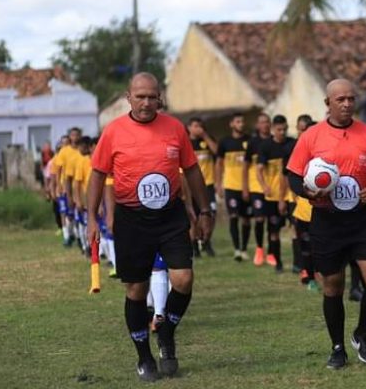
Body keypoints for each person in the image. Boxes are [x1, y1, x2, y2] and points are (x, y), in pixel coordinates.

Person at [86, 72, 213, 381]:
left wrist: (204, 209)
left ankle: (166, 332)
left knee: (183, 279)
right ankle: (144, 358)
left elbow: (192, 170)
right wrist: (92, 217)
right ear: (128, 98)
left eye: (151, 96)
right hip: (132, 219)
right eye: (139, 96)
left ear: (160, 97)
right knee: (136, 289)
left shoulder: (174, 129)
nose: (146, 102)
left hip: (170, 215)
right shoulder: (113, 132)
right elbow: (98, 174)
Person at [286, 79, 366, 369]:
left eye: (351, 98)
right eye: (340, 100)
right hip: (327, 222)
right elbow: (294, 176)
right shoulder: (311, 137)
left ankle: (362, 333)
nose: (347, 104)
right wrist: (307, 192)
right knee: (332, 287)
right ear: (328, 104)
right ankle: (337, 347)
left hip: (362, 220)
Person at [256, 114, 296, 272]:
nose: (282, 132)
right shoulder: (265, 146)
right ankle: (277, 261)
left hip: (290, 196)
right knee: (274, 232)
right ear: (273, 129)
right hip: (272, 196)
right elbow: (259, 170)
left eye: (285, 129)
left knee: (295, 230)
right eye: (279, 129)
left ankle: (298, 264)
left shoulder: (292, 144)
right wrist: (264, 185)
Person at [215, 113, 252, 261]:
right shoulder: (224, 142)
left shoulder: (250, 141)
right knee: (234, 216)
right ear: (231, 124)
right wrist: (218, 183)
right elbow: (218, 164)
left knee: (246, 220)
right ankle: (237, 249)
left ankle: (244, 249)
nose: (241, 124)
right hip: (230, 185)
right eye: (237, 122)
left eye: (242, 121)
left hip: (247, 185)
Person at [288, 115, 319, 290]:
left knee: (321, 246)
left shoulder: (328, 156)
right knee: (305, 246)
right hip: (304, 209)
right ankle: (309, 275)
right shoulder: (299, 154)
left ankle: (319, 273)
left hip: (323, 209)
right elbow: (291, 177)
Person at [243, 113, 272, 266]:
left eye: (267, 122)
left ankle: (272, 252)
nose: (265, 125)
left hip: (273, 188)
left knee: (272, 221)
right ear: (257, 125)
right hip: (256, 187)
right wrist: (245, 187)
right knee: (259, 219)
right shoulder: (252, 143)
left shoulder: (275, 141)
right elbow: (246, 166)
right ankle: (260, 249)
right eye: (262, 122)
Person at [187, 117, 218, 257]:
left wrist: (205, 136)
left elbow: (217, 152)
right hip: (191, 185)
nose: (198, 128)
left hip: (208, 184)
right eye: (195, 126)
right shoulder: (186, 143)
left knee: (211, 214)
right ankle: (194, 246)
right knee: (193, 216)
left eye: (200, 126)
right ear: (189, 128)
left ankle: (206, 241)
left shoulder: (207, 140)